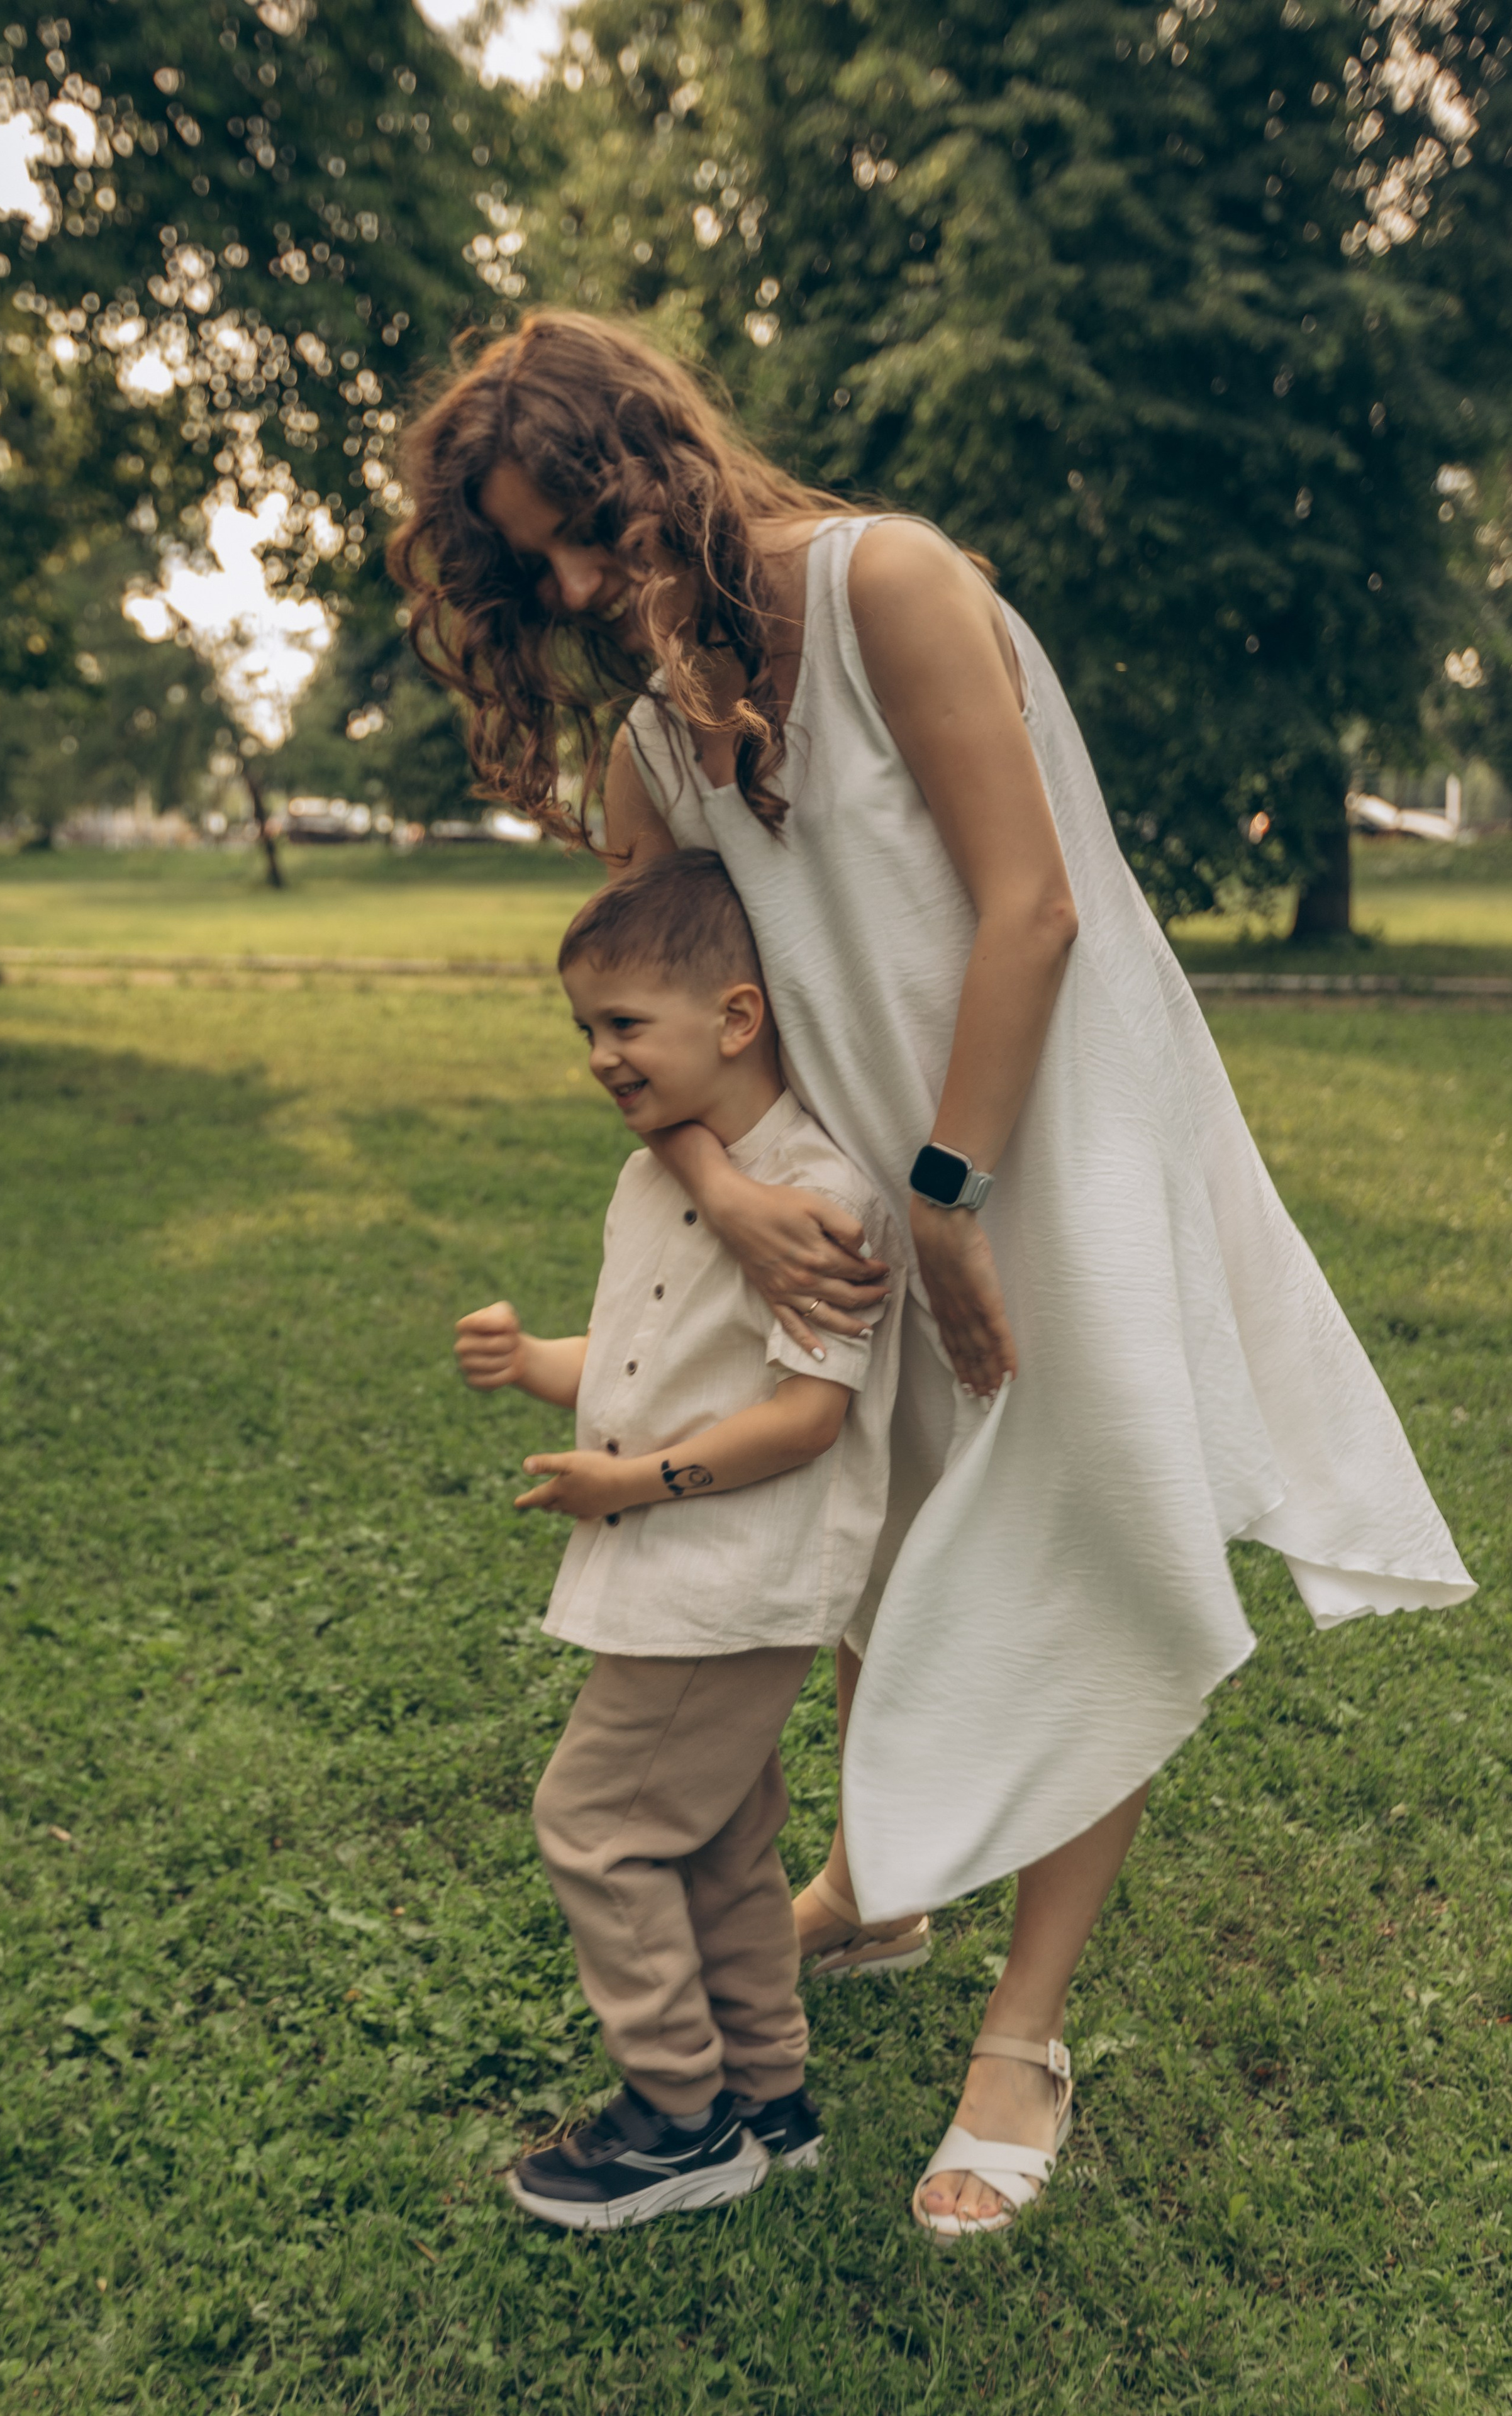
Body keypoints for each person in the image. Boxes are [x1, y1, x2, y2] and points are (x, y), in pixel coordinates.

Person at [396, 311, 1476, 2239]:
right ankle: (883, 1885)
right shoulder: (653, 744)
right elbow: (650, 1011)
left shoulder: (884, 584)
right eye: (532, 569)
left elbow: (1030, 906)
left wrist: (957, 1195)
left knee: (1080, 1551)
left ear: (657, 463)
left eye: (581, 534)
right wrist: (730, 1194)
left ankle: (1023, 2037)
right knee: (879, 1544)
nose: (569, 592)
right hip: (845, 1209)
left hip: (1039, 1149)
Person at [454, 850, 902, 2230]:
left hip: (731, 1578)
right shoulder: (660, 1177)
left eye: (625, 1022)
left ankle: (677, 2117)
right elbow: (650, 1358)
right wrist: (536, 1361)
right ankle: (768, 2097)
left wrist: (629, 1483)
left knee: (593, 1825)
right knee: (715, 1839)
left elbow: (807, 1417)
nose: (599, 1054)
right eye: (583, 1027)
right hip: (681, 1572)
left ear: (736, 1016)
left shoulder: (822, 1199)